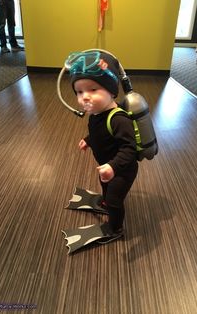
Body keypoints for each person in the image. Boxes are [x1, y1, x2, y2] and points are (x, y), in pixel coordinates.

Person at [66, 51, 139, 243]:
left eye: (93, 90)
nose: (85, 97)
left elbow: (129, 149)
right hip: (107, 165)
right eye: (80, 92)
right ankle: (105, 201)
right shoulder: (98, 113)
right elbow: (100, 132)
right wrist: (89, 140)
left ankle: (115, 228)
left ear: (112, 91)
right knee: (105, 185)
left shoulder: (119, 119)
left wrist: (114, 167)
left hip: (123, 169)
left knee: (116, 200)